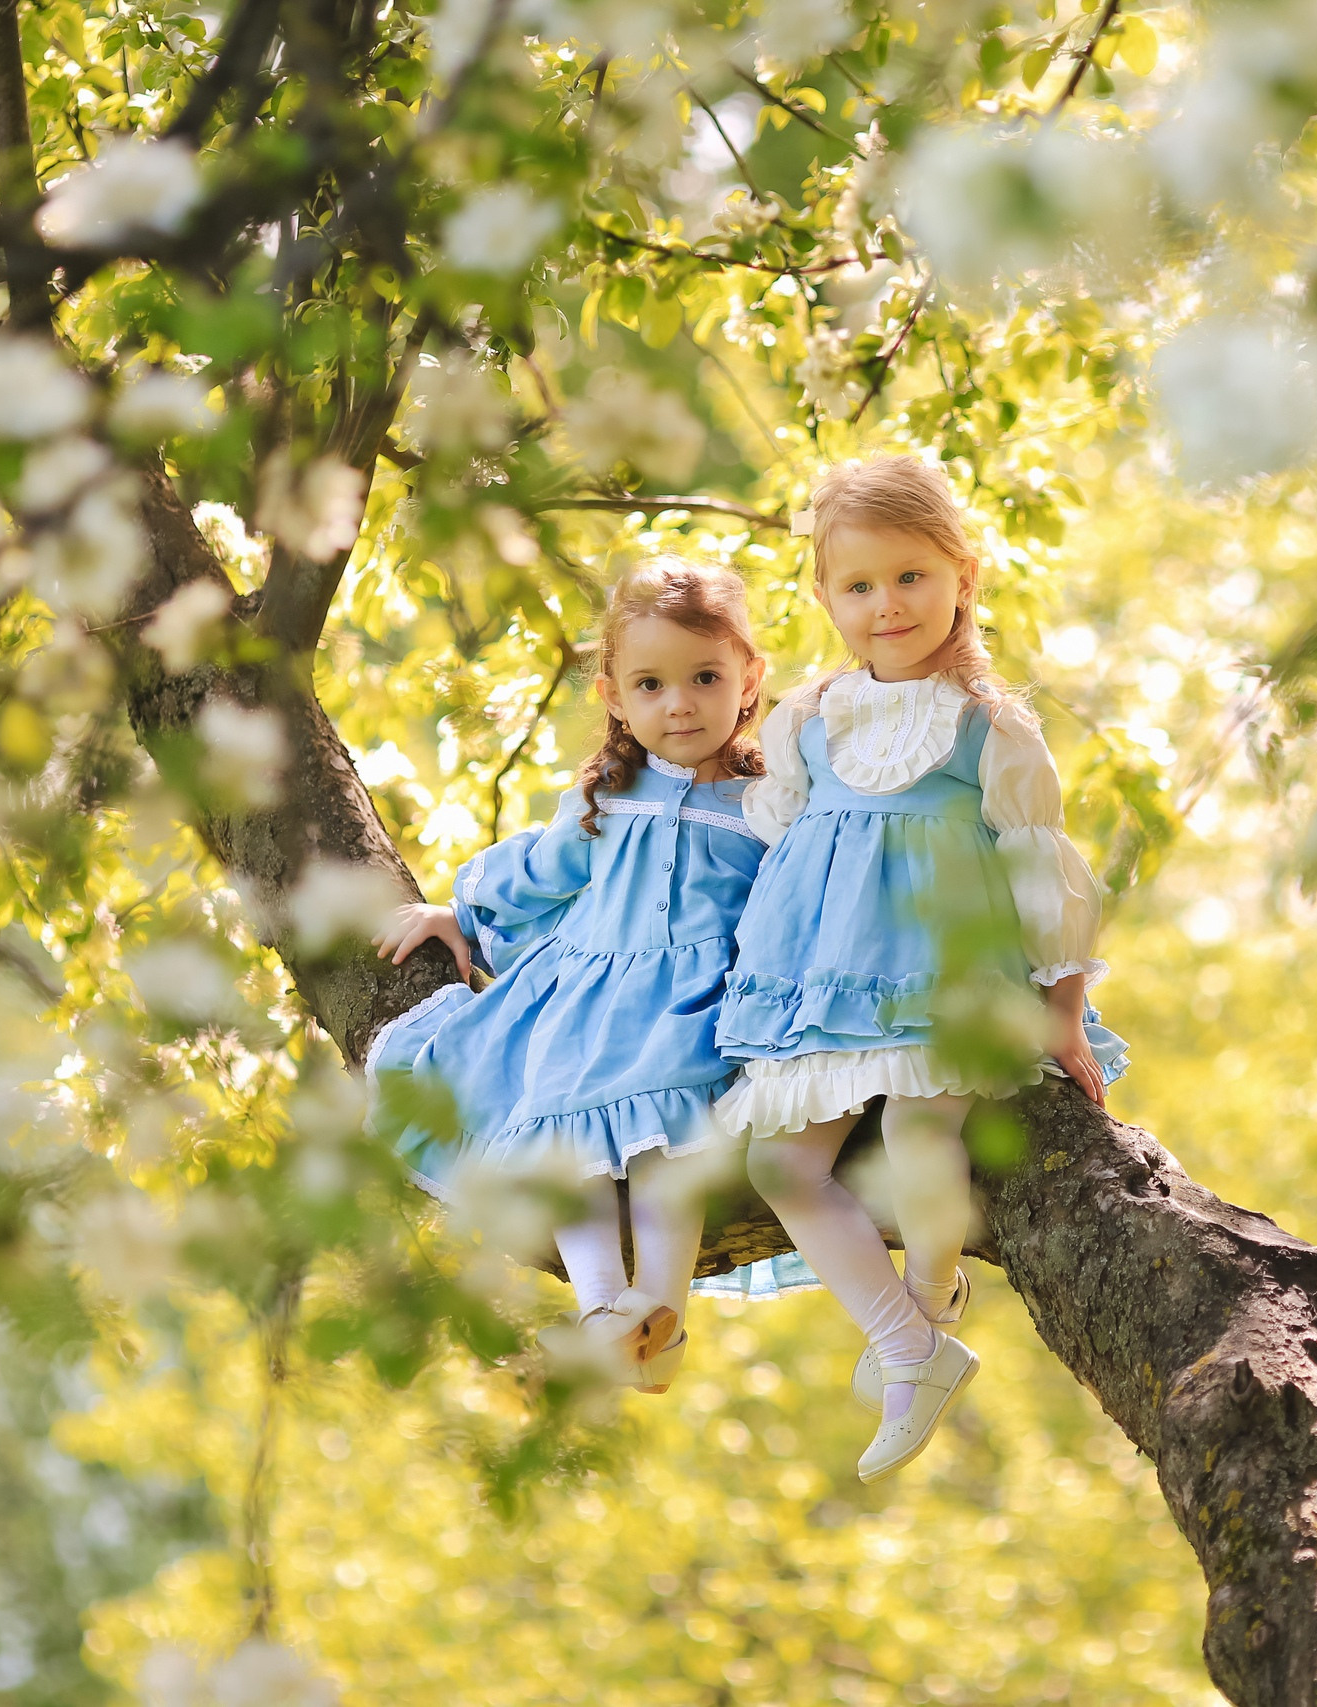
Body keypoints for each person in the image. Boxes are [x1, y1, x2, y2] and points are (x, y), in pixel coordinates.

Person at [719, 456, 1126, 1481]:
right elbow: (768, 839)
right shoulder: (808, 720)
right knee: (781, 1163)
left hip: (945, 972)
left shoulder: (989, 725)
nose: (885, 605)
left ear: (962, 576)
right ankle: (911, 1343)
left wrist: (1062, 1010)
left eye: (909, 577)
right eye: (857, 586)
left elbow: (1042, 870)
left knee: (918, 1126)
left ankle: (932, 1301)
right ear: (823, 597)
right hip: (826, 983)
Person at [368, 558, 769, 1393]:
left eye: (704, 677)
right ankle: (602, 1315)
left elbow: (807, 901)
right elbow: (538, 873)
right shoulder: (605, 793)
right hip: (587, 1000)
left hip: (690, 1005)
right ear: (617, 696)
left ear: (748, 676)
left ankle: (659, 1311)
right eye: (651, 684)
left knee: (666, 1144)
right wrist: (462, 915)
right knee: (568, 1145)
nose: (680, 703)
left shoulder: (768, 804)